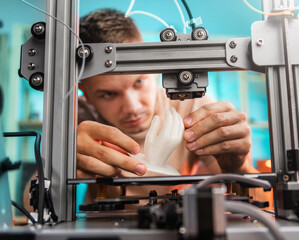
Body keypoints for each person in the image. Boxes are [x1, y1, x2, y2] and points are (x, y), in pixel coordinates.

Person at [76, 9, 257, 201]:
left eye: (139, 82)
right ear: (84, 93)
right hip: (102, 229)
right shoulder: (75, 118)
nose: (133, 108)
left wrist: (238, 168)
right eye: (108, 94)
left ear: (154, 71)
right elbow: (42, 203)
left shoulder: (193, 107)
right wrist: (62, 161)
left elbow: (260, 204)